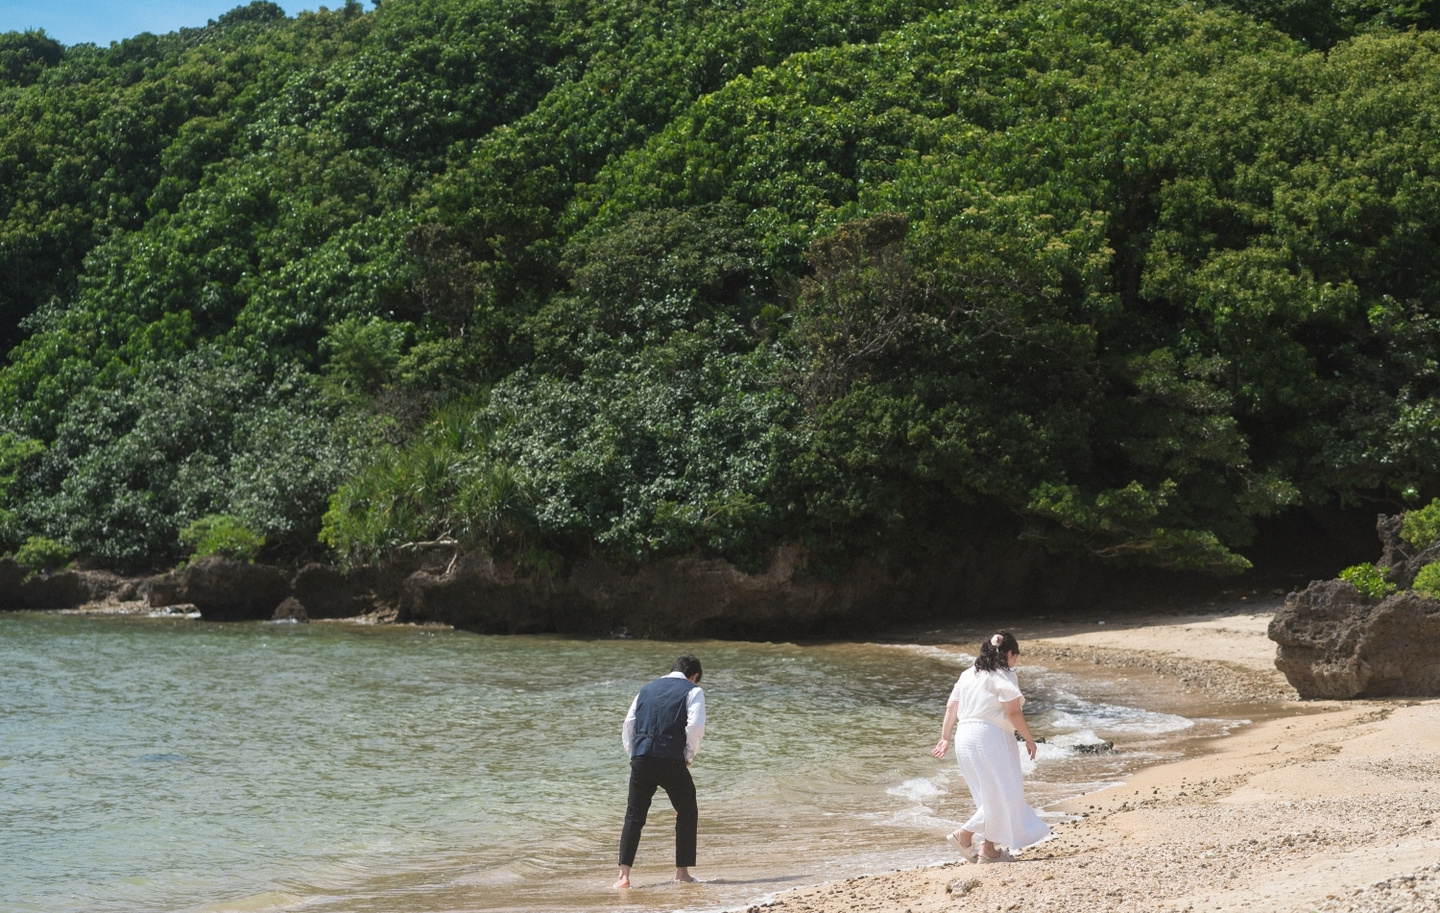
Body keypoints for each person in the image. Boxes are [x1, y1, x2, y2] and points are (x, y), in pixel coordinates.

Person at [931, 631, 1050, 863]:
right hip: (990, 735)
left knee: (987, 795)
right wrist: (1028, 738)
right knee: (1005, 792)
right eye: (1015, 656)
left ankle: (989, 851)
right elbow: (1013, 711)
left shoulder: (968, 674)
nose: (1015, 661)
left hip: (963, 736)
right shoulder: (1003, 674)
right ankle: (964, 835)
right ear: (1008, 654)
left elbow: (950, 707)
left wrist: (945, 737)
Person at [614, 653, 706, 889]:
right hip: (671, 760)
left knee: (634, 815)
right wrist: (688, 755)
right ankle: (681, 873)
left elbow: (628, 725)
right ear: (694, 676)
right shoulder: (693, 691)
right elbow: (695, 726)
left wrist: (634, 754)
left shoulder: (645, 689)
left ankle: (623, 876)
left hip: (642, 757)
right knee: (687, 809)